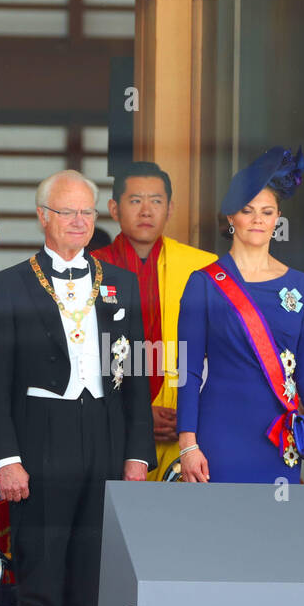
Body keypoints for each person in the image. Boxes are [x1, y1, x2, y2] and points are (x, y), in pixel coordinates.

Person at [0, 169, 155, 606]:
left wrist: (136, 453)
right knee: (39, 571)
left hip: (103, 432)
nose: (80, 222)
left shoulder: (118, 283)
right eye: (68, 212)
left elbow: (131, 377)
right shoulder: (11, 284)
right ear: (43, 217)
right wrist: (7, 458)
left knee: (93, 574)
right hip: (40, 436)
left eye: (87, 212)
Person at [177, 146, 304, 485]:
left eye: (267, 211)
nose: (257, 219)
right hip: (219, 430)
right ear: (231, 217)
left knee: (275, 532)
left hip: (279, 433)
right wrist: (188, 444)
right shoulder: (204, 283)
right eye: (247, 211)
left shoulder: (300, 284)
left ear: (278, 217)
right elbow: (187, 369)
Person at [92, 161, 215, 477]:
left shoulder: (203, 268)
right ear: (114, 208)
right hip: (109, 426)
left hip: (185, 426)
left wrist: (189, 417)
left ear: (170, 208)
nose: (146, 211)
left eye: (156, 201)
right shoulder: (90, 269)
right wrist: (139, 415)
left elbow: (219, 354)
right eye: (135, 201)